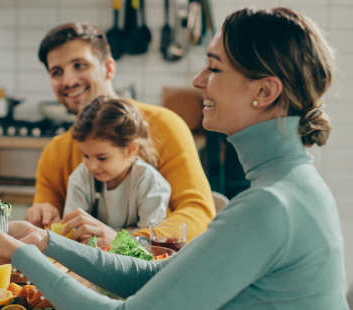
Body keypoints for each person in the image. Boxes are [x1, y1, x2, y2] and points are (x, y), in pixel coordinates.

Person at [0, 7, 353, 310]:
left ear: (264, 92)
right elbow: (158, 276)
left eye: (214, 68)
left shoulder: (268, 204)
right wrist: (44, 242)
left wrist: (19, 255)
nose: (197, 81)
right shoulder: (287, 185)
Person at [25, 22, 213, 245]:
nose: (69, 81)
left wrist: (126, 242)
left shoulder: (166, 126)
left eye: (79, 65)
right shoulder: (54, 153)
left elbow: (198, 213)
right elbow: (51, 235)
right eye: (57, 72)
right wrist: (43, 217)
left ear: (109, 68)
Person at [63, 96, 170, 244]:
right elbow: (74, 233)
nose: (91, 166)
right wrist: (130, 233)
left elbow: (148, 244)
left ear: (131, 150)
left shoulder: (150, 183)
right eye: (85, 155)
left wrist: (112, 237)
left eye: (102, 158)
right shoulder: (81, 176)